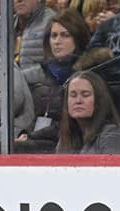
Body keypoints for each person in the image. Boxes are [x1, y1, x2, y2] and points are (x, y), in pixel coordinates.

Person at [15, 9, 97, 152]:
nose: (57, 41)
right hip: (40, 138)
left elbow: (72, 124)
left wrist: (32, 136)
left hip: (67, 141)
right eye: (54, 36)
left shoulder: (86, 75)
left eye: (65, 35)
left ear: (78, 38)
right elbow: (39, 116)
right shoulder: (47, 72)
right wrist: (25, 133)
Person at [56, 71, 120, 154]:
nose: (78, 101)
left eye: (85, 95)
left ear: (99, 101)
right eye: (73, 95)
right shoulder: (67, 137)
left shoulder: (115, 136)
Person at [0, 0, 57, 68]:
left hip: (35, 81)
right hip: (1, 79)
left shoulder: (53, 23)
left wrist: (19, 76)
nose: (19, 0)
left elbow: (53, 69)